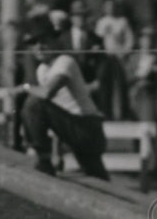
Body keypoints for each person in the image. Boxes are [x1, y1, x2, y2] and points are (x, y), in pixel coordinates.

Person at [15, 15, 109, 180]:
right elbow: (55, 109)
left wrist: (25, 87)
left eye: (43, 41)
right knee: (99, 179)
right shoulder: (43, 69)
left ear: (54, 40)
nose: (39, 47)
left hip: (86, 129)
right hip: (72, 128)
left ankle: (43, 160)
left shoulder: (65, 61)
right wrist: (56, 153)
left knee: (33, 104)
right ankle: (44, 158)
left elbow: (46, 94)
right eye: (33, 44)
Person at [94, 0, 134, 119]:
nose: (110, 9)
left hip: (119, 57)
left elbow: (130, 39)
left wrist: (125, 52)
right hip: (106, 57)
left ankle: (123, 113)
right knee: (105, 85)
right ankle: (106, 113)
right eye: (107, 6)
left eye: (112, 6)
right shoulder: (101, 22)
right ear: (104, 8)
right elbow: (97, 38)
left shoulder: (122, 21)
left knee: (121, 85)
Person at [128, 25, 157, 130]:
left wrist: (152, 80)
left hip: (149, 98)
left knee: (149, 130)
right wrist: (137, 79)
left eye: (151, 39)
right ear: (140, 40)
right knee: (135, 129)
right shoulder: (133, 58)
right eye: (145, 39)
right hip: (134, 98)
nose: (148, 42)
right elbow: (127, 78)